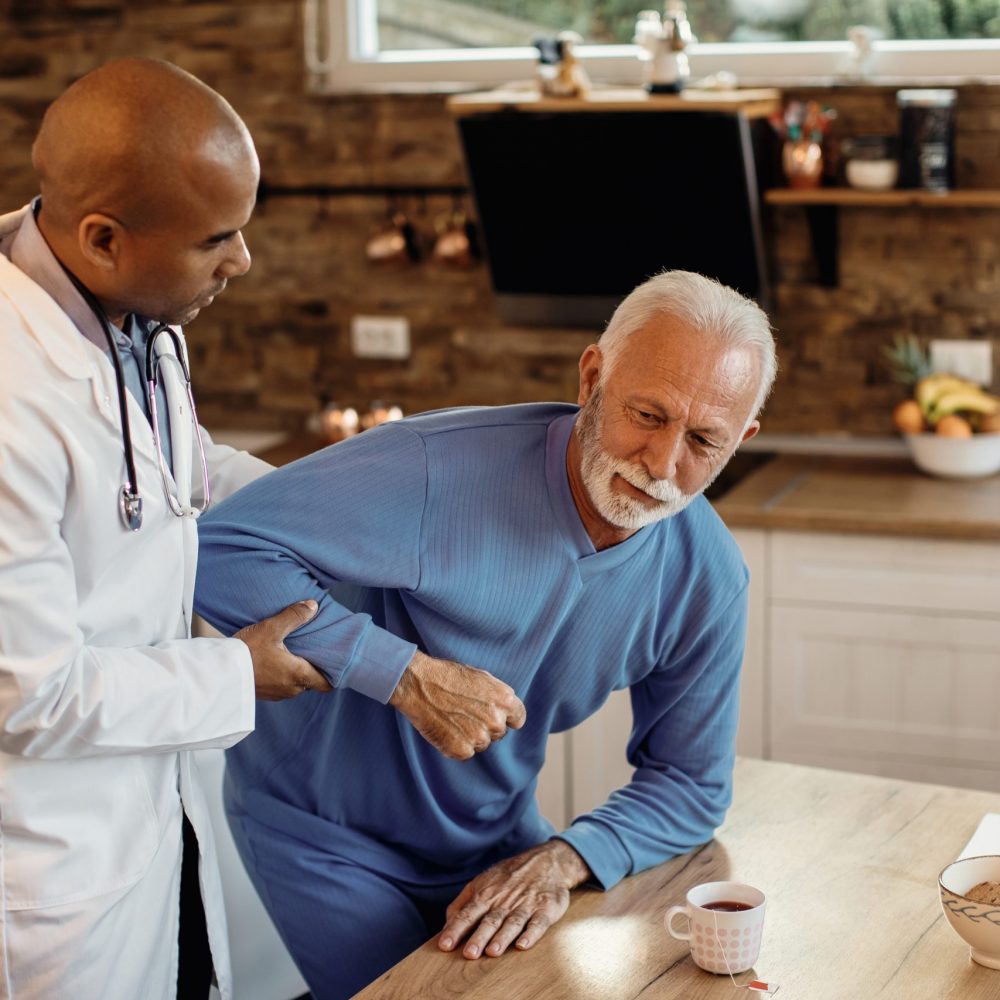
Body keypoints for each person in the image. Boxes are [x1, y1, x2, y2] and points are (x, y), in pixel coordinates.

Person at [194, 269, 778, 1000]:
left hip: (496, 841)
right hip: (320, 832)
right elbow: (216, 550)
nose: (662, 465)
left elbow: (692, 783)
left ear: (743, 438)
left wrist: (564, 856)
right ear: (593, 373)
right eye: (648, 415)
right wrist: (399, 674)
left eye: (704, 441)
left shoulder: (708, 577)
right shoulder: (438, 466)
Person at [0, 58, 330, 1000]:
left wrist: (331, 513)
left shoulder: (134, 312)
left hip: (154, 823)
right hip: (50, 870)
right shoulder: (9, 400)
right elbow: (30, 695)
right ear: (103, 238)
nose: (243, 261)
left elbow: (176, 469)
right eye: (217, 239)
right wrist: (239, 673)